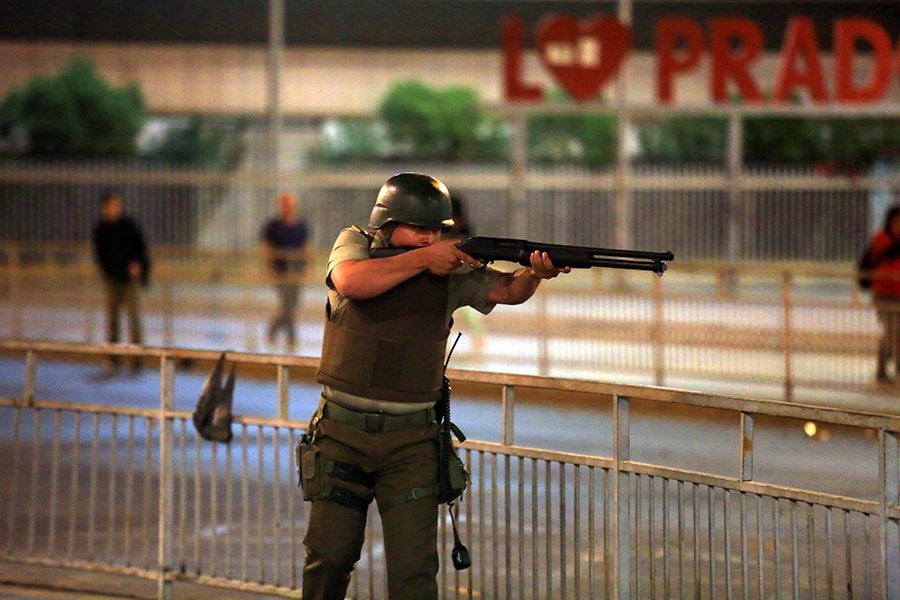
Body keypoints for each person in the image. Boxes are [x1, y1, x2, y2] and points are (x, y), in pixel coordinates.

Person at [299, 173, 570, 599]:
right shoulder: (354, 242)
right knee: (328, 561)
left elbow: (508, 290)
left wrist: (534, 274)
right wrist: (425, 260)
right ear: (386, 226)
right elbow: (351, 281)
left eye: (436, 231)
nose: (429, 239)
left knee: (414, 575)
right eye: (418, 229)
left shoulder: (449, 268)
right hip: (340, 435)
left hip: (410, 442)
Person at [91, 191, 150, 376]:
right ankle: (113, 360)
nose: (116, 208)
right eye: (113, 205)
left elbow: (140, 248)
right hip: (112, 280)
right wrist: (108, 272)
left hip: (128, 280)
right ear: (105, 207)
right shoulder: (101, 228)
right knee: (112, 322)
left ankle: (137, 361)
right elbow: (100, 255)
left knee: (134, 321)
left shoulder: (128, 225)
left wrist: (138, 266)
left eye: (118, 204)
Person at [261, 191, 311, 352]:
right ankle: (291, 337)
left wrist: (308, 268)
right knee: (286, 304)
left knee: (291, 304)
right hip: (280, 270)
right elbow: (267, 249)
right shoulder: (272, 226)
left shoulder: (302, 225)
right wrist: (269, 268)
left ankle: (274, 329)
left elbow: (307, 247)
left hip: (296, 270)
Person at [864, 204, 900, 384]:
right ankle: (888, 370)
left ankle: (886, 370)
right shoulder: (881, 238)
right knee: (893, 332)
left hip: (898, 294)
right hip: (884, 294)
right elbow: (881, 256)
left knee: (895, 333)